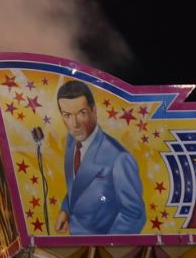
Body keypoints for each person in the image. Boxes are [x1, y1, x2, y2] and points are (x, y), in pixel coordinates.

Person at [55, 78, 146, 236]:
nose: (74, 123)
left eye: (82, 113)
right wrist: (66, 209)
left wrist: (105, 249)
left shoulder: (119, 158)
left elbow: (134, 215)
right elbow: (78, 185)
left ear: (94, 111)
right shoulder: (71, 143)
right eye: (67, 115)